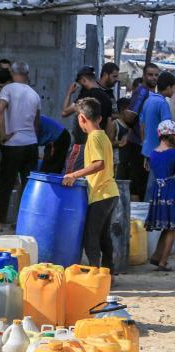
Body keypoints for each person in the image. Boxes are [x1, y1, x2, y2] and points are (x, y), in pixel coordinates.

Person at [62, 98, 118, 270]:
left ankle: (95, 271)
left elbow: (98, 163)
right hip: (111, 193)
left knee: (91, 236)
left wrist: (73, 174)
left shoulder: (93, 138)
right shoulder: (104, 137)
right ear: (100, 118)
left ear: (81, 118)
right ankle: (108, 272)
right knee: (103, 236)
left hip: (100, 195)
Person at [0, 61, 40, 232]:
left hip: (13, 144)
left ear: (12, 73)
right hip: (31, 143)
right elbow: (36, 123)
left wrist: (3, 134)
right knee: (27, 185)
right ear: (27, 73)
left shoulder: (8, 89)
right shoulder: (34, 94)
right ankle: (24, 223)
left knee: (5, 184)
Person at [61, 65, 115, 173]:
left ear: (84, 80)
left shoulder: (85, 97)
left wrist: (69, 93)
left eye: (81, 83)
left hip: (82, 145)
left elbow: (64, 112)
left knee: (70, 176)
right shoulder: (107, 99)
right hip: (99, 145)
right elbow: (110, 125)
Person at [123, 63, 160, 200]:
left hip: (147, 145)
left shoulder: (152, 94)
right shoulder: (142, 91)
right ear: (144, 76)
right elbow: (130, 116)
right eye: (150, 74)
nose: (153, 77)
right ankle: (135, 218)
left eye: (156, 75)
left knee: (144, 184)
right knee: (138, 184)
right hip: (139, 145)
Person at [140, 72, 175, 203]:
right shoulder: (162, 104)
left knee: (152, 185)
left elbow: (142, 125)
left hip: (149, 150)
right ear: (169, 87)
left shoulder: (149, 100)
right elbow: (167, 130)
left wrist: (145, 148)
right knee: (158, 186)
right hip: (161, 152)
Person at [145, 119, 175, 271]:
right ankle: (163, 262)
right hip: (171, 191)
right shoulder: (172, 154)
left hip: (158, 191)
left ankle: (156, 257)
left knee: (167, 226)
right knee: (172, 228)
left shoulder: (153, 154)